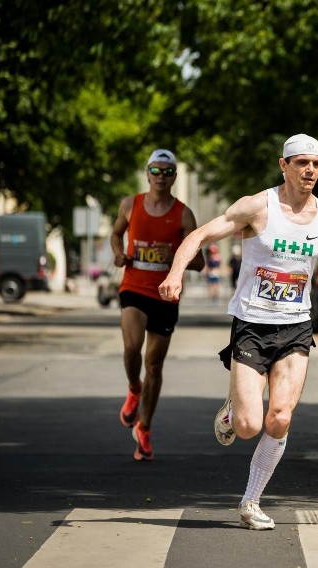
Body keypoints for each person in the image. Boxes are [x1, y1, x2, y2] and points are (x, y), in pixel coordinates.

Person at [158, 133, 318, 531]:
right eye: (301, 163)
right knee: (248, 426)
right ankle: (232, 408)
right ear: (284, 165)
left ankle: (251, 501)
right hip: (251, 325)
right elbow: (198, 236)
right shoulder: (256, 207)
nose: (310, 170)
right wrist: (175, 274)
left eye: (315, 163)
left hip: (295, 327)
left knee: (280, 416)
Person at [111, 148, 206, 461]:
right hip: (134, 288)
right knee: (131, 345)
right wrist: (118, 253)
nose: (161, 176)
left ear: (175, 177)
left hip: (166, 293)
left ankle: (145, 428)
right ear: (147, 173)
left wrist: (176, 257)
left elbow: (199, 262)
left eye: (167, 171)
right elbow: (116, 234)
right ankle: (133, 388)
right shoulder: (130, 204)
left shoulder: (184, 214)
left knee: (154, 364)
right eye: (156, 170)